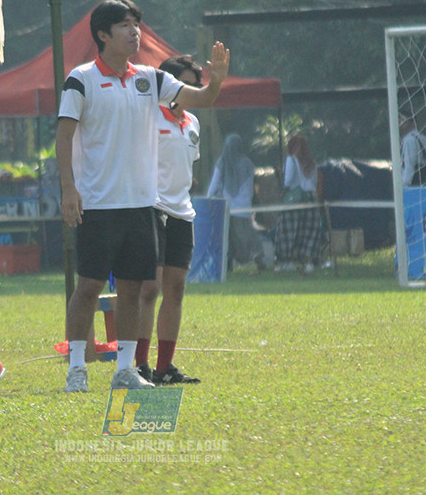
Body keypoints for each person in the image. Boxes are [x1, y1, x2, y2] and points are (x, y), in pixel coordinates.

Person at [57, 0, 229, 393]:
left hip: (142, 206)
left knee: (133, 290)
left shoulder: (151, 79)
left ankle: (125, 369)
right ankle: (77, 368)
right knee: (88, 288)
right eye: (125, 25)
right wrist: (69, 189)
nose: (135, 32)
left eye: (136, 24)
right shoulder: (81, 78)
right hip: (97, 204)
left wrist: (216, 80)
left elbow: (202, 99)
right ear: (103, 34)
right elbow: (64, 137)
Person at [137, 56, 203, 385]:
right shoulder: (148, 117)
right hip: (151, 208)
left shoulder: (193, 123)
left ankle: (164, 368)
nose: (192, 91)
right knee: (149, 288)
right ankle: (139, 365)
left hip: (182, 212)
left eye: (196, 86)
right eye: (185, 84)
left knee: (175, 289)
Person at [273, 134, 327, 274]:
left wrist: (282, 191)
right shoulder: (312, 163)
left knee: (288, 230)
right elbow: (314, 183)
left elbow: (288, 180)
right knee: (309, 231)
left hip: (295, 199)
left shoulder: (291, 160)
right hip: (311, 198)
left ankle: (287, 261)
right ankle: (309, 262)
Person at [206, 133, 261, 270]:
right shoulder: (247, 163)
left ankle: (231, 264)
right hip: (244, 208)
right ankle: (256, 257)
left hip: (227, 208)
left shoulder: (222, 162)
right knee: (245, 236)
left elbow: (214, 185)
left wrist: (208, 200)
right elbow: (250, 187)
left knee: (229, 239)